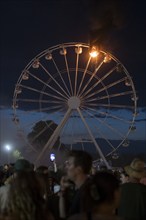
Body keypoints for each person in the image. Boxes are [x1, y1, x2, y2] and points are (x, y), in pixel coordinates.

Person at [59, 150, 92, 219]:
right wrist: (62, 191)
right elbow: (65, 216)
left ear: (79, 169)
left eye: (69, 164)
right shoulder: (81, 189)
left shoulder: (87, 193)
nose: (66, 167)